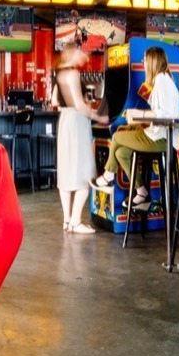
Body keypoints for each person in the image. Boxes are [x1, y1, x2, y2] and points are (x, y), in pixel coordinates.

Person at [93, 48, 179, 208]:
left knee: (117, 136)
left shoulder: (162, 79)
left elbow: (165, 114)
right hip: (159, 136)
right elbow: (160, 113)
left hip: (163, 140)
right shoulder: (162, 80)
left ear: (152, 61)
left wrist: (138, 113)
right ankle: (142, 192)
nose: (143, 63)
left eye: (144, 60)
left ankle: (108, 176)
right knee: (121, 153)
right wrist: (137, 119)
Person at [51, 47, 107, 233]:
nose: (85, 56)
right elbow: (80, 106)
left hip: (64, 122)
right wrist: (99, 117)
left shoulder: (59, 74)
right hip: (77, 123)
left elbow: (54, 102)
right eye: (82, 53)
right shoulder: (74, 73)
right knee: (85, 173)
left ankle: (67, 221)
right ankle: (76, 222)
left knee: (66, 172)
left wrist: (76, 104)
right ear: (72, 54)